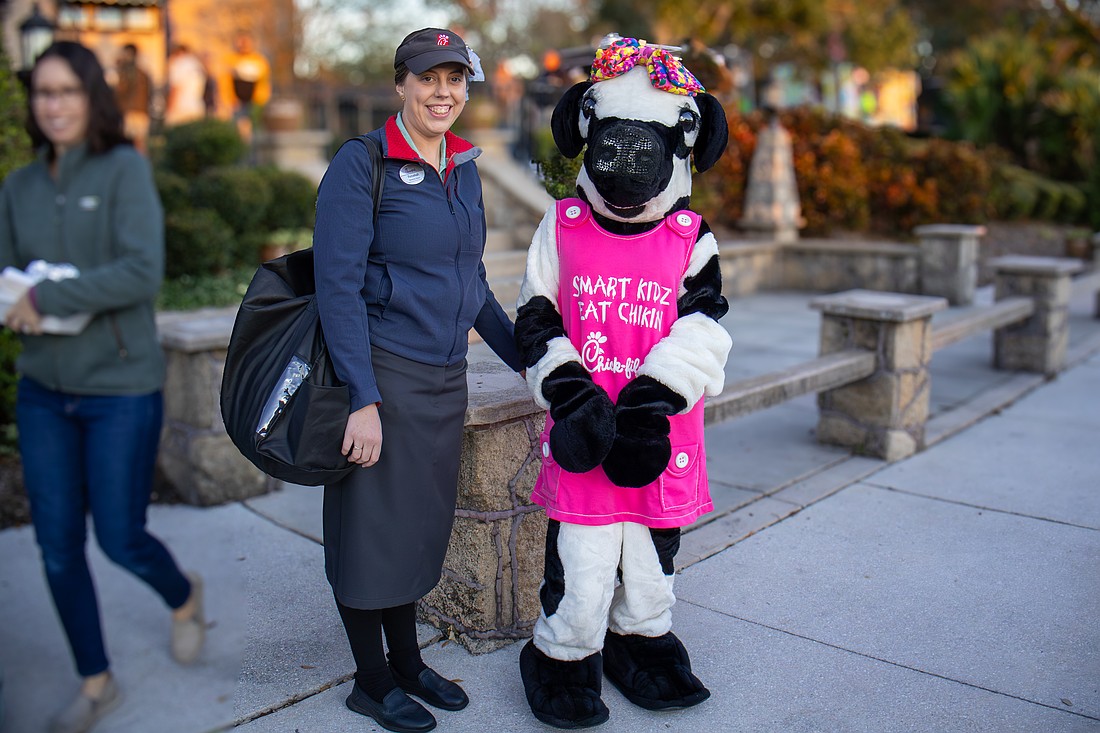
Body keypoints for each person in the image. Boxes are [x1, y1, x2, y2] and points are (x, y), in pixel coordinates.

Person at [312, 27, 524, 733]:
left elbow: (474, 285)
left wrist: (533, 356)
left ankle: (407, 664)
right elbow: (336, 289)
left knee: (412, 532)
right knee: (368, 531)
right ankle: (370, 681)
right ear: (401, 84)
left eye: (455, 79)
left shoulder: (463, 167)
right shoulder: (361, 162)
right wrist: (362, 400)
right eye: (428, 79)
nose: (443, 92)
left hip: (444, 380)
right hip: (384, 376)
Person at [0, 41, 205, 733]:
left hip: (119, 387)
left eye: (66, 91)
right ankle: (97, 681)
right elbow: (6, 276)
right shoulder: (20, 187)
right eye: (42, 92)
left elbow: (140, 273)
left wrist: (47, 294)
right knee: (57, 545)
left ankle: (182, 594)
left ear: (92, 97)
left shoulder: (122, 170)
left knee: (119, 536)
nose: (52, 104)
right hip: (43, 391)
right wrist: (17, 295)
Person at [222, 31, 270, 142]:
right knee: (238, 128)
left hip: (254, 101)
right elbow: (225, 82)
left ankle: (252, 155)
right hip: (236, 101)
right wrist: (228, 99)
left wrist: (261, 99)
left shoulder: (258, 60)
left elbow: (263, 81)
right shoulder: (231, 59)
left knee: (252, 129)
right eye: (241, 42)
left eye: (246, 42)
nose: (243, 45)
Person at [112, 43, 151, 154]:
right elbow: (150, 94)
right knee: (140, 147)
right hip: (142, 112)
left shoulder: (124, 72)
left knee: (125, 147)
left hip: (128, 112)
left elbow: (119, 92)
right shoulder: (144, 73)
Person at [164, 43, 207, 126]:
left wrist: (169, 110)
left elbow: (175, 88)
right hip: (197, 107)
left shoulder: (179, 64)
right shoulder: (197, 64)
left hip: (181, 109)